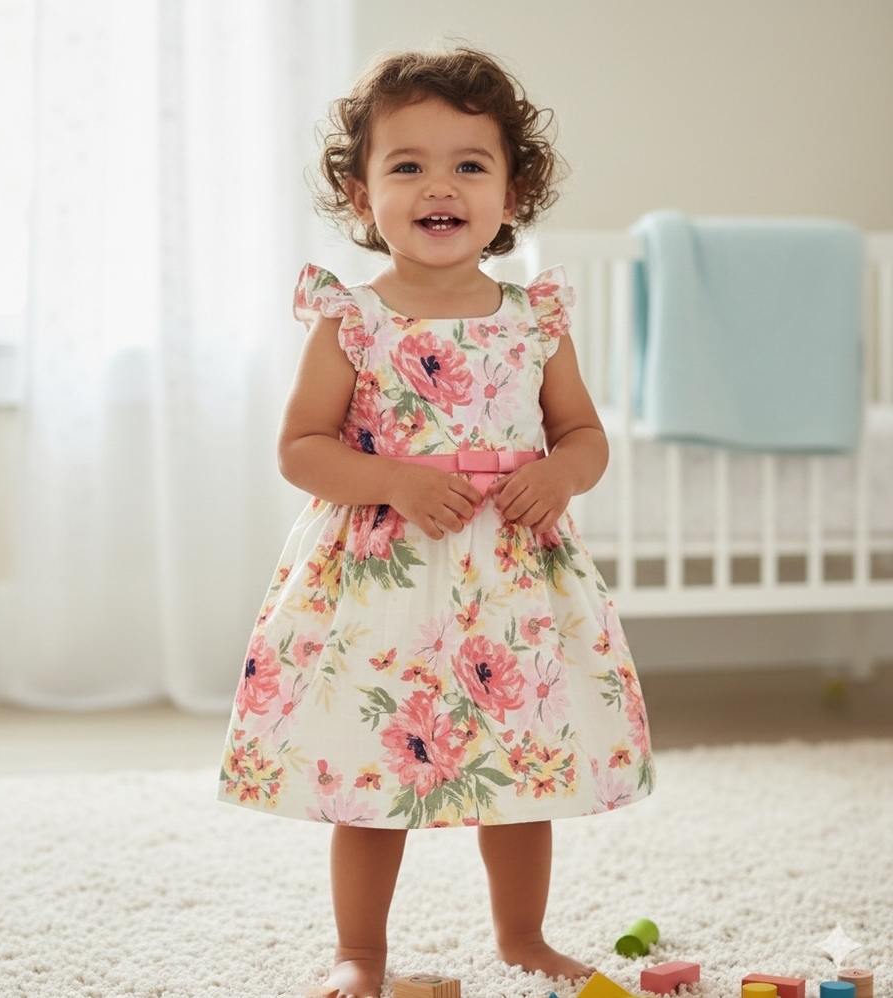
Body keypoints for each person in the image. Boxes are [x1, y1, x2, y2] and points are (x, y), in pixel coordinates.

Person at [218, 47, 655, 998]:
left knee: (521, 765)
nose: (438, 186)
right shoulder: (354, 321)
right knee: (378, 776)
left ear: (514, 185)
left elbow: (583, 432)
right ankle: (361, 953)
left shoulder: (534, 319)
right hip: (387, 576)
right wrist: (393, 480)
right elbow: (300, 448)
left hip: (511, 577)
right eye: (406, 165)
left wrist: (563, 474)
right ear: (358, 187)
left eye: (469, 163)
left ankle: (523, 936)